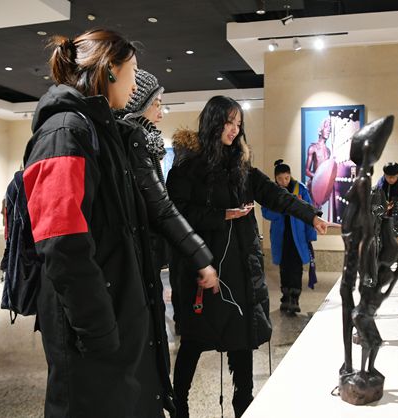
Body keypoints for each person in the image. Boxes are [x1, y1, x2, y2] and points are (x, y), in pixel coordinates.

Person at [21, 29, 174, 418]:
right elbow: (62, 245)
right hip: (92, 333)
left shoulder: (99, 131)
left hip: (116, 320)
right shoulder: (65, 132)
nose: (136, 83)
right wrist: (99, 330)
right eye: (133, 70)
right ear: (109, 70)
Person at [166, 96, 328, 418]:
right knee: (195, 341)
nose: (234, 129)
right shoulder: (188, 168)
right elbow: (176, 215)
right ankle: (178, 404)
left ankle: (244, 403)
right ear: (213, 122)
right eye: (229, 122)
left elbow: (275, 194)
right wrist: (221, 215)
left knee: (241, 338)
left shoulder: (241, 167)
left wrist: (311, 215)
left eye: (238, 124)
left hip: (239, 272)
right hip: (205, 271)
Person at [115, 69, 217, 340]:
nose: (160, 115)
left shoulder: (140, 144)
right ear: (139, 104)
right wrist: (200, 256)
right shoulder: (135, 143)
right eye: (156, 105)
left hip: (145, 250)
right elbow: (160, 206)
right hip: (139, 252)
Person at [261, 159, 317, 314]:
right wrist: (280, 210)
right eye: (280, 179)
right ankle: (285, 297)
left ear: (290, 175)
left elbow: (309, 213)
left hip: (298, 237)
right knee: (284, 267)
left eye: (286, 178)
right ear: (275, 178)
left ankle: (295, 298)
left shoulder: (300, 190)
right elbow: (266, 212)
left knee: (296, 268)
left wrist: (310, 236)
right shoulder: (271, 192)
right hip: (281, 237)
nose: (283, 182)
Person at [374, 162, 398, 242]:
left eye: (393, 177)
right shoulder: (379, 187)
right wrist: (383, 206)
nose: (391, 179)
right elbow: (373, 205)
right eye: (388, 177)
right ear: (384, 175)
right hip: (382, 223)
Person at [304, 117, 332, 186]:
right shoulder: (313, 148)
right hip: (315, 185)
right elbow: (306, 171)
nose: (328, 130)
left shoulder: (328, 151)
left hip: (325, 185)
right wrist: (317, 177)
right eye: (326, 127)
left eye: (330, 128)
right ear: (320, 130)